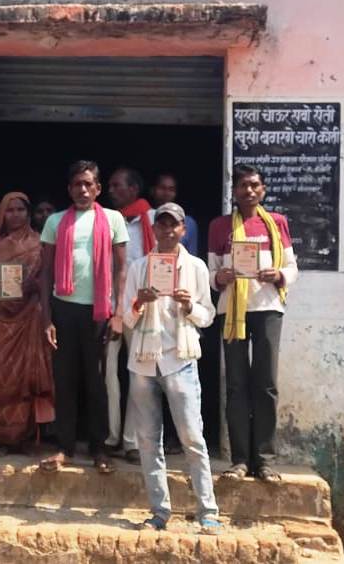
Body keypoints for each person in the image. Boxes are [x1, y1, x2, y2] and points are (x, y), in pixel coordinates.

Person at [122, 202, 221, 534]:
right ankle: (159, 512)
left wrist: (189, 305)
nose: (167, 230)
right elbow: (126, 318)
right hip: (143, 361)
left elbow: (208, 316)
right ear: (154, 229)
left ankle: (208, 510)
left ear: (183, 229)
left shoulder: (196, 268)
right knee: (149, 441)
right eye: (161, 225)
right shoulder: (139, 267)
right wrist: (139, 302)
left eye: (173, 225)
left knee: (192, 437)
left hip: (180, 358)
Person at [208, 164, 298, 483]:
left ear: (263, 189)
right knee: (236, 384)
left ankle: (264, 460)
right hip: (231, 311)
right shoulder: (220, 226)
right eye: (242, 185)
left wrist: (279, 274)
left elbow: (291, 266)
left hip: (268, 309)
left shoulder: (277, 222)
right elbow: (211, 271)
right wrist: (219, 277)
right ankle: (240, 460)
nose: (248, 190)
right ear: (233, 191)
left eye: (254, 185)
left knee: (266, 384)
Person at [38, 161, 128, 474]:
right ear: (69, 189)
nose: (83, 190)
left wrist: (118, 313)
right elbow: (45, 273)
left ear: (98, 188)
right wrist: (46, 319)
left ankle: (99, 448)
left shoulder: (114, 219)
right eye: (77, 184)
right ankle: (64, 447)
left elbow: (122, 269)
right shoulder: (55, 222)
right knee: (64, 380)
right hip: (63, 309)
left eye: (88, 184)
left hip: (99, 311)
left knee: (97, 382)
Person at [0, 192, 54, 454]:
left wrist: (35, 285)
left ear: (28, 214)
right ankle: (2, 438)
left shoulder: (40, 243)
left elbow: (49, 278)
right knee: (1, 378)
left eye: (21, 209)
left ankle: (27, 438)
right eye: (10, 210)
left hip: (30, 315)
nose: (15, 215)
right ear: (2, 214)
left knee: (28, 376)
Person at [106, 167, 157, 464]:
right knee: (107, 375)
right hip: (111, 308)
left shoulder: (153, 220)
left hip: (143, 308)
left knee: (139, 376)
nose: (111, 190)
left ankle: (131, 442)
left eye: (117, 185)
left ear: (134, 189)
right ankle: (110, 436)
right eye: (110, 185)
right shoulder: (107, 220)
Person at [150, 173, 199, 256]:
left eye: (171, 189)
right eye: (162, 188)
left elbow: (192, 253)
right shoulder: (142, 218)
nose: (166, 193)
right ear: (152, 190)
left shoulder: (188, 222)